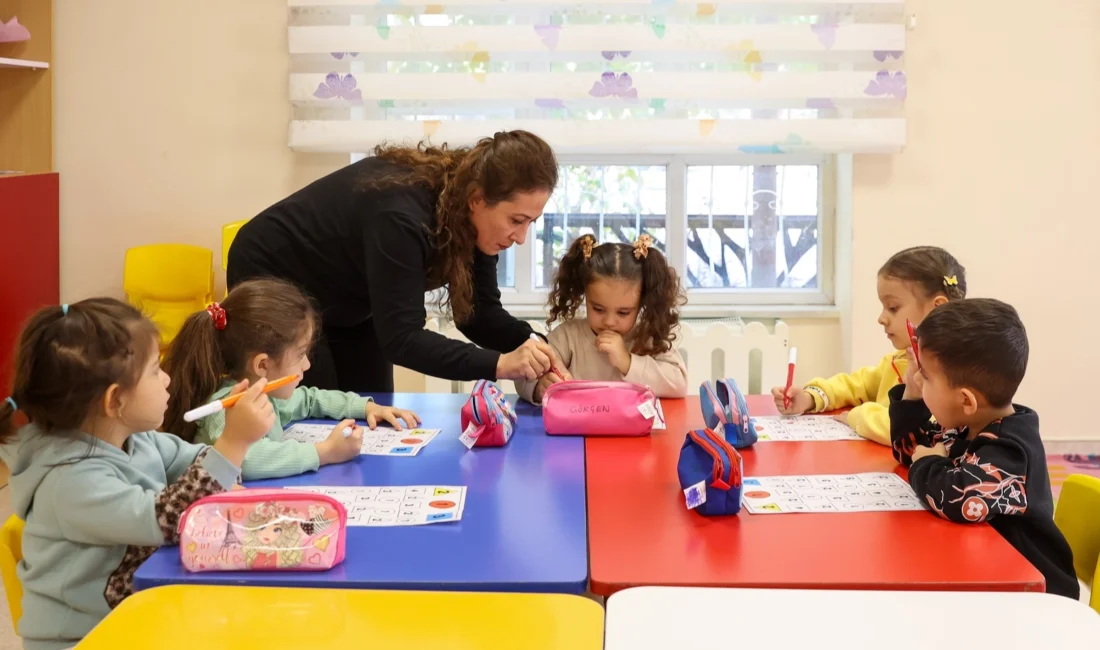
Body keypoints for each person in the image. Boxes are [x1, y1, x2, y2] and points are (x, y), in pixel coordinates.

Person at [0, 299, 274, 650]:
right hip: (87, 639)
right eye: (154, 371)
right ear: (115, 401)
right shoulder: (69, 481)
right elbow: (169, 519)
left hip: (137, 617)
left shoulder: (136, 438)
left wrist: (221, 459)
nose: (167, 379)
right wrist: (234, 442)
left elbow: (194, 460)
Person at [227, 130, 568, 393]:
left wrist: (536, 346)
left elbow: (478, 315)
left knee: (373, 410)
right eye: (516, 220)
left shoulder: (472, 219)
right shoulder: (402, 217)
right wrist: (500, 364)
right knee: (316, 414)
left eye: (530, 223)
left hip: (347, 293)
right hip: (274, 271)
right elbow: (402, 339)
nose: (521, 237)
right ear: (478, 199)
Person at [889, 298, 1078, 600]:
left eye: (925, 376)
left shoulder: (1010, 449)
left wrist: (926, 464)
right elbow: (908, 450)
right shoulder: (966, 422)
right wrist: (912, 395)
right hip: (984, 570)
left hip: (1034, 592)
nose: (916, 378)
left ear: (965, 400)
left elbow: (957, 499)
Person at [163, 278, 420, 481]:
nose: (307, 364)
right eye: (300, 355)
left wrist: (365, 407)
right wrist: (325, 452)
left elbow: (309, 400)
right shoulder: (230, 406)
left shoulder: (264, 393)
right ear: (262, 365)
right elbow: (249, 459)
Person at [772, 246, 966, 445]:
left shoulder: (949, 375)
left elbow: (903, 428)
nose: (882, 318)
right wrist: (809, 398)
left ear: (937, 308)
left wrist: (856, 416)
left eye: (893, 308)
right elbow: (858, 384)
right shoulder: (897, 360)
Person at [517, 234, 688, 404]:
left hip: (633, 428)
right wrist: (539, 387)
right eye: (598, 309)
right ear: (585, 296)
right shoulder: (569, 336)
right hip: (577, 428)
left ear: (642, 303)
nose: (609, 321)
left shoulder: (648, 337)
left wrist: (627, 362)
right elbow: (524, 373)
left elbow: (678, 383)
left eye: (623, 313)